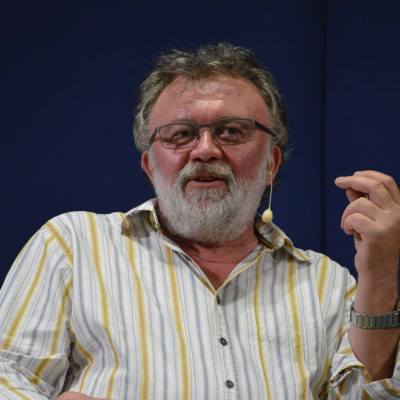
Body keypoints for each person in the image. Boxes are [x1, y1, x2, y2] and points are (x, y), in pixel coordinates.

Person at [1, 43, 399, 400]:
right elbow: (9, 377)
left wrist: (380, 274)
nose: (205, 150)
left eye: (231, 131)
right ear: (150, 167)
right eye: (180, 134)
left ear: (271, 164)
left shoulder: (327, 286)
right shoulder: (72, 247)